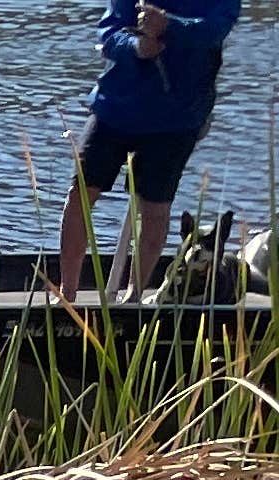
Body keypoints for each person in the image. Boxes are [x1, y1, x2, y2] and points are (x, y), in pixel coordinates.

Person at [58, 0, 244, 299]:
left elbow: (213, 31)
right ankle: (66, 295)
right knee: (80, 193)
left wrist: (168, 25)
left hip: (176, 118)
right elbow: (109, 35)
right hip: (116, 108)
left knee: (155, 210)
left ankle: (134, 297)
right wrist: (136, 46)